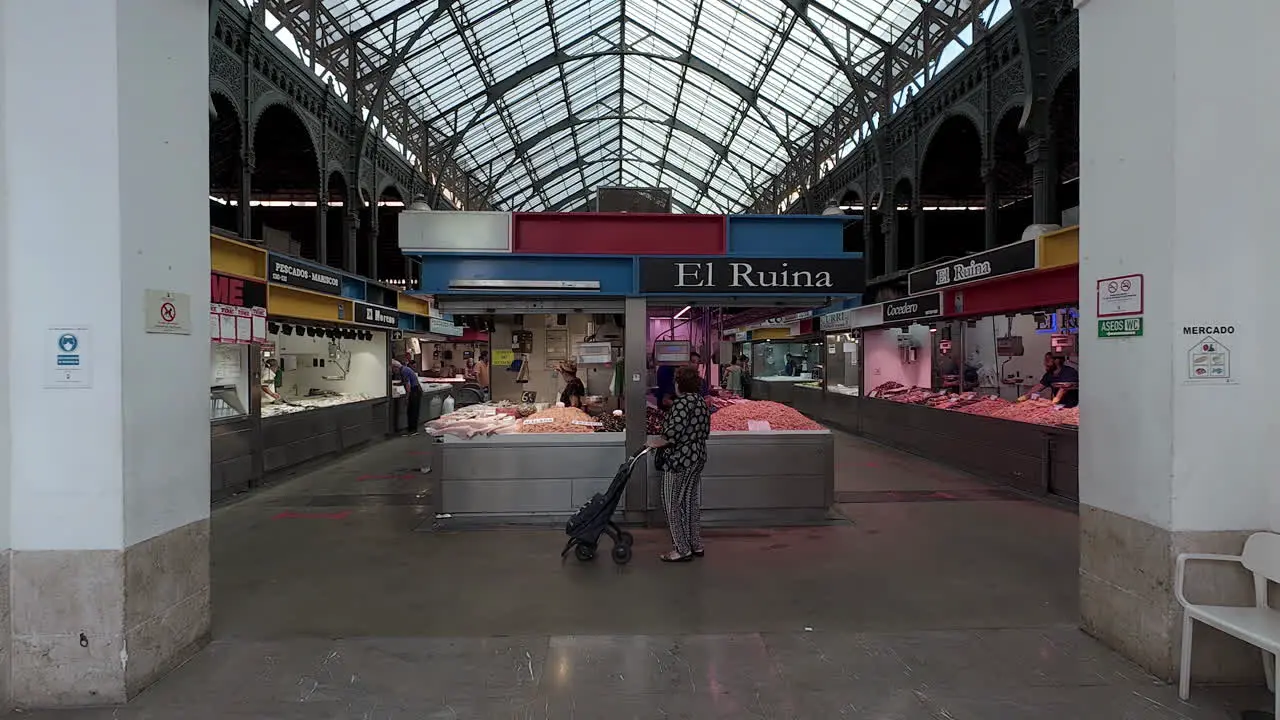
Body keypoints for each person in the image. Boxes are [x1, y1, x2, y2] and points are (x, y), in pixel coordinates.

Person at [646, 365, 711, 562]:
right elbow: (704, 431)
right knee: (690, 501)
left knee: (671, 503)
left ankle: (681, 549)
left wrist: (653, 442)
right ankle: (695, 544)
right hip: (698, 456)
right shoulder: (700, 402)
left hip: (679, 460)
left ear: (679, 383)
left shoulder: (682, 403)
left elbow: (671, 434)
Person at [392, 359, 423, 435]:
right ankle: (412, 429)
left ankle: (412, 430)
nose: (393, 371)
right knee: (412, 411)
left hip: (414, 391)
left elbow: (408, 385)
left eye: (393, 369)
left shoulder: (404, 371)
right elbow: (405, 382)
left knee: (412, 411)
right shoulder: (405, 369)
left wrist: (407, 397)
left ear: (396, 367)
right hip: (415, 390)